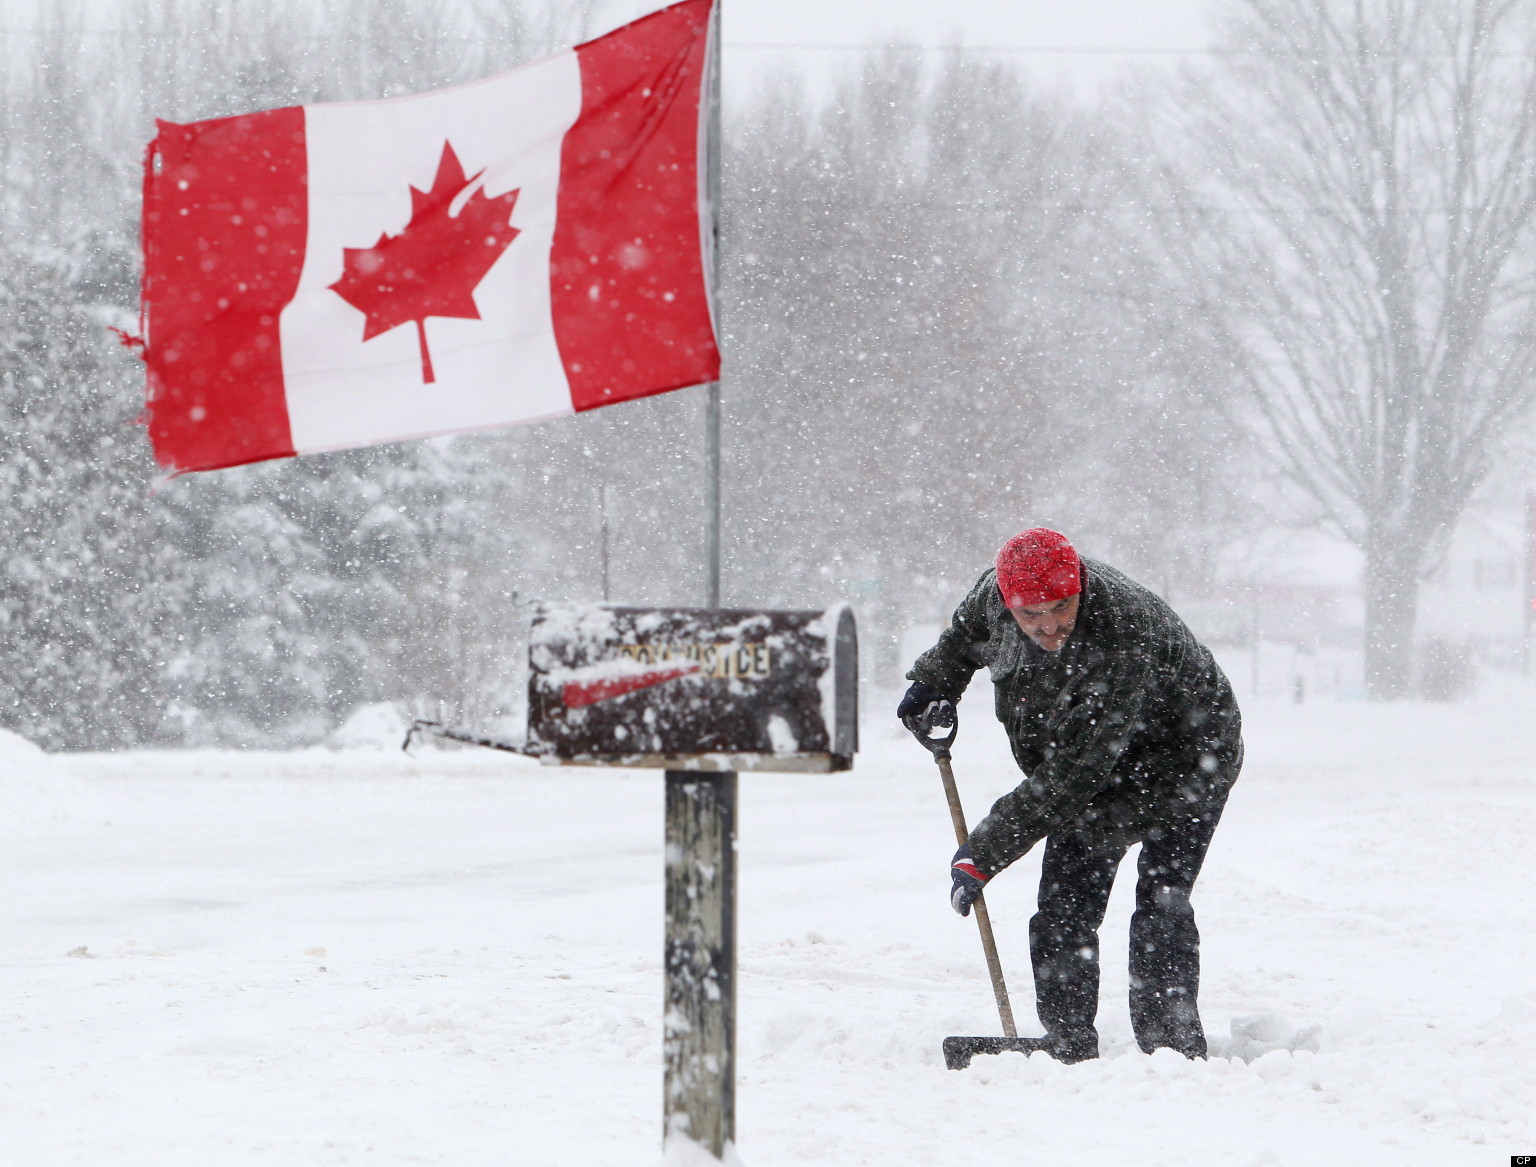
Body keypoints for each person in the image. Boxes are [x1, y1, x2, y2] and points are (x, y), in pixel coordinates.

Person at [899, 528, 1242, 1063]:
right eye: (1031, 615)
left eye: (1062, 607)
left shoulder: (1124, 633)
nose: (1050, 624)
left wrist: (984, 853)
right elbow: (965, 637)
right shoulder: (994, 597)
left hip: (1188, 753)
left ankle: (1171, 1047)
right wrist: (931, 685)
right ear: (1007, 600)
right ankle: (1067, 1039)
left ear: (1079, 584)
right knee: (1066, 900)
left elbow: (1074, 777)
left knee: (1162, 894)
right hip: (1092, 755)